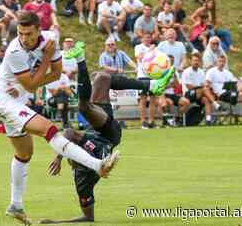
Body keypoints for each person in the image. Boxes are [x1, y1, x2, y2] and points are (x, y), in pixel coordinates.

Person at [0, 11, 120, 225]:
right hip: (3, 99)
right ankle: (98, 165)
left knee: (24, 154)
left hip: (16, 101)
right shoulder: (14, 51)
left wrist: (28, 82)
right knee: (48, 128)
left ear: (39, 30)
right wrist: (43, 64)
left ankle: (15, 205)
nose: (24, 38)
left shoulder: (51, 39)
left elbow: (57, 74)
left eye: (28, 33)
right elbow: (32, 84)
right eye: (21, 33)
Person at [39, 40, 175, 224]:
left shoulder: (79, 169)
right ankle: (80, 58)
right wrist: (56, 223)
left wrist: (59, 156)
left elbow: (70, 133)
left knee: (103, 78)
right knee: (84, 106)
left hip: (95, 126)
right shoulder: (82, 183)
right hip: (109, 134)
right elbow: (88, 218)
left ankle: (152, 86)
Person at [182, 53, 211, 121]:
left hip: (199, 94)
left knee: (206, 100)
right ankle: (215, 103)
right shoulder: (186, 71)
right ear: (191, 61)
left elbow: (204, 84)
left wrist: (204, 86)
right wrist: (202, 87)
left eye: (197, 61)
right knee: (203, 90)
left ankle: (208, 120)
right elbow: (189, 87)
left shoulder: (201, 71)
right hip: (188, 94)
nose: (196, 62)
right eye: (194, 60)